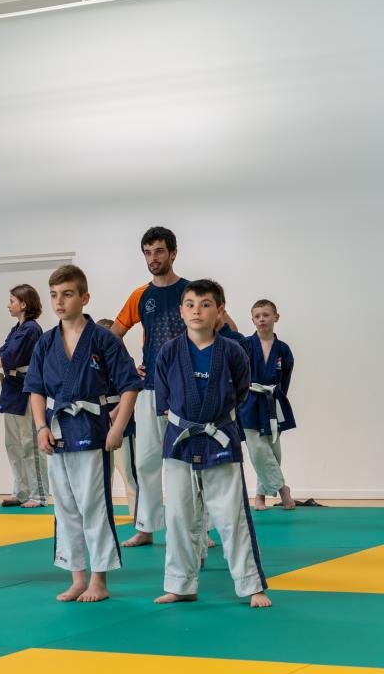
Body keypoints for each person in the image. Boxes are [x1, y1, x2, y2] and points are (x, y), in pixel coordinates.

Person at [110, 227, 239, 548]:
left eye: (159, 251)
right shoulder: (140, 296)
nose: (153, 258)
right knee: (146, 461)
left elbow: (230, 329)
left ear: (173, 253)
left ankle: (200, 529)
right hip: (150, 388)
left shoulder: (190, 294)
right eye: (147, 252)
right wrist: (129, 367)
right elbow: (112, 337)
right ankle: (146, 526)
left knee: (191, 460)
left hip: (189, 390)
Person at [25, 266, 140, 603]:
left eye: (67, 294)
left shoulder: (104, 339)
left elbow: (130, 385)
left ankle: (99, 580)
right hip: (57, 429)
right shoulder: (46, 342)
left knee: (94, 504)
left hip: (92, 429)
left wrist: (118, 428)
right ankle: (77, 578)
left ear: (84, 297)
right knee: (65, 507)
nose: (59, 301)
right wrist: (40, 427)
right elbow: (35, 390)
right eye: (54, 295)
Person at [153, 279, 270, 608]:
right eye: (190, 304)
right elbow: (163, 397)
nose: (197, 311)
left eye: (205, 305)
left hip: (220, 438)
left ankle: (250, 585)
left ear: (220, 310)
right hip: (180, 441)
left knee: (232, 516)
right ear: (181, 311)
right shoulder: (169, 351)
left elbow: (241, 391)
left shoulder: (233, 351)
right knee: (179, 516)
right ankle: (180, 585)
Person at [238, 299, 296, 511]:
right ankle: (282, 489)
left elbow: (285, 378)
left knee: (273, 451)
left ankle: (260, 496)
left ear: (276, 317)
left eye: (266, 315)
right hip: (248, 401)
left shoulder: (283, 349)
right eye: (257, 316)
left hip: (272, 402)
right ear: (252, 320)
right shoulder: (245, 345)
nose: (261, 319)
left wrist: (278, 399)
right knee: (258, 449)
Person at [0, 285, 48, 509]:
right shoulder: (17, 329)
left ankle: (39, 494)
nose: (8, 305)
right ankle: (21, 491)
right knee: (13, 444)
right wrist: (2, 359)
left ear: (24, 304)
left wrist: (3, 359)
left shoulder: (31, 330)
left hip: (26, 390)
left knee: (30, 444)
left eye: (12, 301)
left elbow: (9, 358)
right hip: (12, 390)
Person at [97, 318, 138, 517]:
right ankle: (103, 515)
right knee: (102, 474)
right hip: (97, 419)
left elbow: (131, 390)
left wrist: (119, 411)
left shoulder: (125, 361)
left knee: (128, 471)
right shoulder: (92, 362)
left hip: (122, 421)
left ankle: (138, 516)